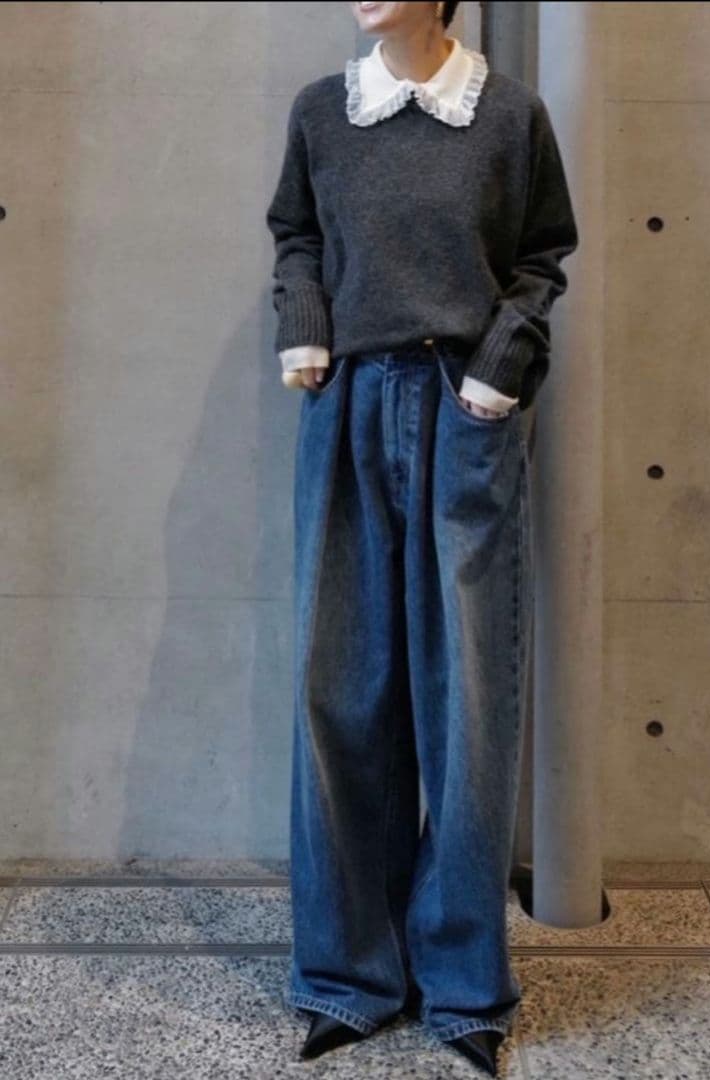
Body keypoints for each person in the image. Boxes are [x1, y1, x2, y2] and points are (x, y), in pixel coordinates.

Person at [265, 1, 578, 1074]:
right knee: (339, 689)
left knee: (467, 701)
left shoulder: (509, 117)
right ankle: (347, 978)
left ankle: (462, 987)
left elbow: (542, 255)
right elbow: (297, 233)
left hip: (465, 407)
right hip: (347, 401)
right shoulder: (324, 112)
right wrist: (304, 324)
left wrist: (503, 363)